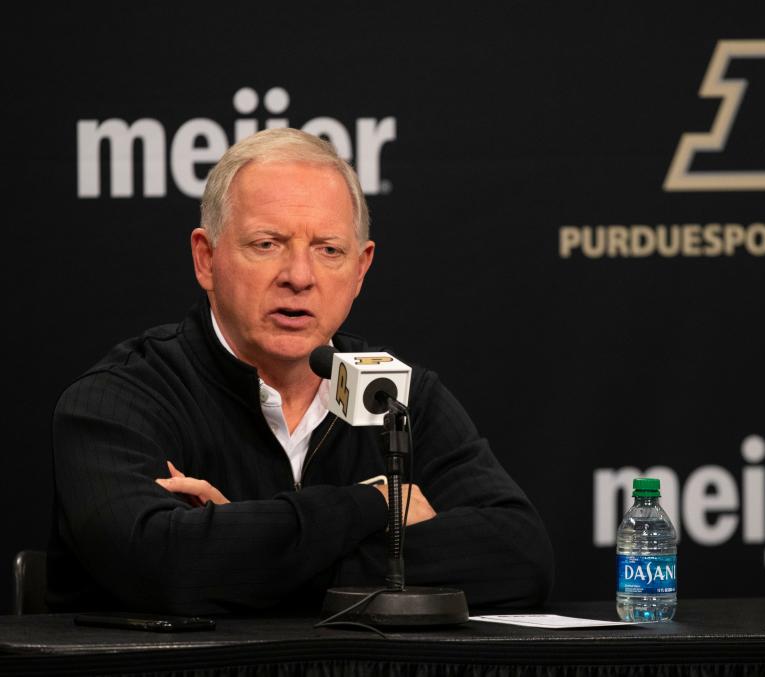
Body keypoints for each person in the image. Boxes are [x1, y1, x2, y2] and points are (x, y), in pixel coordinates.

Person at [47, 128, 553, 614]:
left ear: (360, 270)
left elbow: (520, 556)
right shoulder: (118, 399)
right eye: (267, 244)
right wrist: (376, 505)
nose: (299, 277)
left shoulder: (401, 395)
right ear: (206, 259)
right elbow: (160, 568)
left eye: (328, 250)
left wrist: (245, 556)